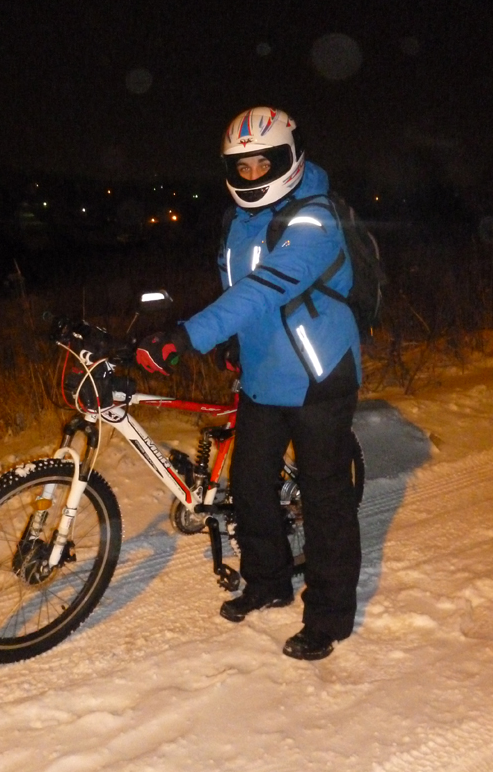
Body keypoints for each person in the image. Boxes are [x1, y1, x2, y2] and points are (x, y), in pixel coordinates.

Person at [136, 107, 361, 661]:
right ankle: (268, 581)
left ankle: (329, 617)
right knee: (251, 486)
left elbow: (264, 288)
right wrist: (232, 344)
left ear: (289, 159)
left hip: (318, 375)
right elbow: (237, 290)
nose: (254, 175)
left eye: (265, 163)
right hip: (263, 377)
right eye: (243, 166)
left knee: (325, 499)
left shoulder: (316, 217)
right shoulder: (238, 221)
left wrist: (187, 336)